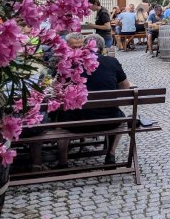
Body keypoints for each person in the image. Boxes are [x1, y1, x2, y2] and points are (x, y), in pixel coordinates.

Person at [56, 33, 131, 167]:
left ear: (85, 47)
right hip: (109, 121)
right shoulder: (112, 62)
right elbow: (125, 87)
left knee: (60, 122)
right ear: (102, 49)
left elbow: (59, 89)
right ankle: (111, 153)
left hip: (75, 123)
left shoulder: (72, 63)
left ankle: (63, 162)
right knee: (121, 118)